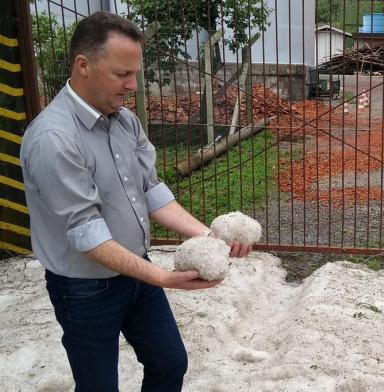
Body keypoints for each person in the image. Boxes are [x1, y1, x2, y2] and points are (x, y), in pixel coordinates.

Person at [20, 11, 252, 392]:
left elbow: (151, 193)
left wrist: (212, 237)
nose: (132, 84)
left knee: (169, 364)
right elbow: (87, 235)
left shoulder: (125, 122)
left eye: (135, 73)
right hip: (84, 287)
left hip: (136, 271)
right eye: (121, 74)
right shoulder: (53, 139)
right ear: (83, 66)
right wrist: (162, 277)